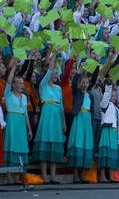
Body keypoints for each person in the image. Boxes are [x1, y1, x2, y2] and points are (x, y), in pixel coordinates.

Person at [32, 49, 65, 184]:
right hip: (47, 116)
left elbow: (62, 106)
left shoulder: (58, 88)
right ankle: (44, 175)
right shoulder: (43, 85)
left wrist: (63, 122)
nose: (55, 75)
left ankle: (52, 175)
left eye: (57, 73)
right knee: (45, 143)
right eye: (53, 73)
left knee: (54, 145)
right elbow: (50, 69)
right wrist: (54, 54)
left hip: (56, 116)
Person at [3, 58, 31, 185]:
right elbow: (8, 81)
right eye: (20, 84)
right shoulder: (8, 95)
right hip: (12, 122)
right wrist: (14, 67)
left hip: (21, 123)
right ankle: (9, 176)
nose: (22, 86)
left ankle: (17, 176)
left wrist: (29, 128)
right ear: (14, 85)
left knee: (20, 148)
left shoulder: (24, 97)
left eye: (23, 83)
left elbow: (25, 113)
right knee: (11, 147)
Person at [68, 72, 95, 183]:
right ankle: (75, 175)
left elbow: (91, 110)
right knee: (78, 143)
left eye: (86, 82)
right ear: (79, 83)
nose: (85, 85)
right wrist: (80, 70)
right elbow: (74, 83)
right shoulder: (77, 93)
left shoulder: (91, 96)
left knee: (85, 145)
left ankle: (83, 175)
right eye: (82, 82)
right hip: (79, 119)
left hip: (87, 120)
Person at [98, 80, 119, 182]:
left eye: (115, 96)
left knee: (112, 154)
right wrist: (109, 86)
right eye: (112, 96)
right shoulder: (105, 105)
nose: (114, 97)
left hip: (114, 132)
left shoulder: (118, 109)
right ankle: (103, 176)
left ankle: (111, 176)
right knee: (105, 153)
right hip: (107, 131)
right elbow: (106, 97)